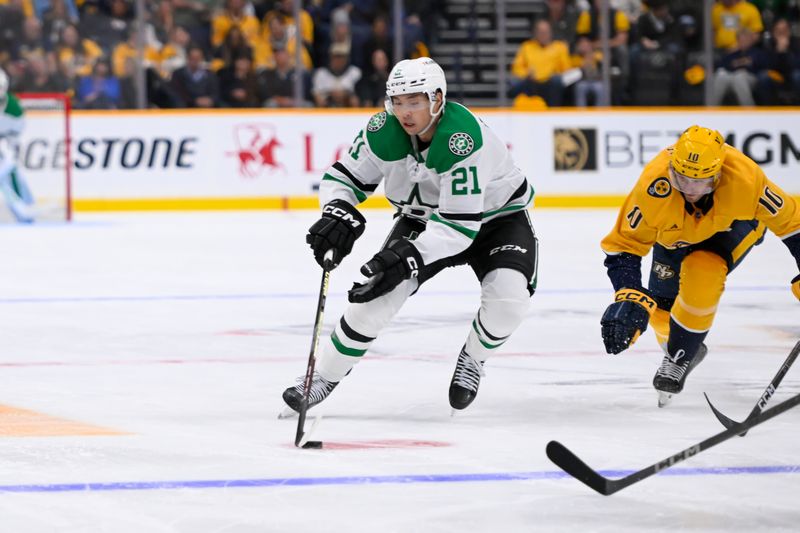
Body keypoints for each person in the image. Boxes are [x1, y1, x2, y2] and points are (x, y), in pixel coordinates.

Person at [282, 57, 538, 413]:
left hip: (497, 220)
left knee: (509, 301)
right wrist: (336, 211)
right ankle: (322, 377)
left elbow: (459, 228)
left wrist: (409, 257)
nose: (405, 112)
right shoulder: (382, 130)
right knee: (375, 296)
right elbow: (342, 179)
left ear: (437, 99)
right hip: (423, 219)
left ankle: (474, 358)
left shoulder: (461, 139)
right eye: (397, 101)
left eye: (414, 101)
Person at [599, 126, 800, 407]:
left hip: (732, 227)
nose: (690, 189)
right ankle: (682, 347)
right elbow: (623, 246)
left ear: (718, 174)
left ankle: (679, 355)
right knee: (661, 314)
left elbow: (793, 224)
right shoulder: (653, 187)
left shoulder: (745, 179)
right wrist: (628, 292)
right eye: (681, 178)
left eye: (701, 181)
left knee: (702, 272)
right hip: (675, 238)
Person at [0, 69, 37, 223]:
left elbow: (16, 132)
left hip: (4, 143)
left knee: (9, 169)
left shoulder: (13, 106)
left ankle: (25, 206)